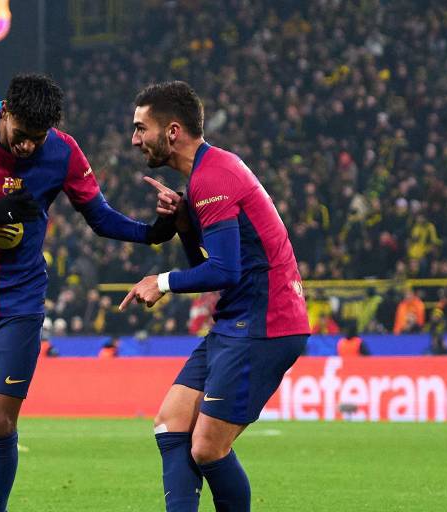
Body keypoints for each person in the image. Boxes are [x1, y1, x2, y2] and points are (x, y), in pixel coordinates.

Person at [0, 73, 175, 512]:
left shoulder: (62, 151)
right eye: (21, 135)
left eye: (37, 139)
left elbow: (100, 217)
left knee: (0, 424)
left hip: (19, 302)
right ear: (5, 111)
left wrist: (152, 233)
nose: (27, 146)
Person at [119, 81, 310, 512]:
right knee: (171, 425)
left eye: (140, 128)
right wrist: (186, 226)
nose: (134, 139)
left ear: (172, 131)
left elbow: (225, 271)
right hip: (238, 319)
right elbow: (212, 266)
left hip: (266, 321)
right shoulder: (207, 176)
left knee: (207, 447)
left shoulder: (214, 177)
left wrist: (161, 282)